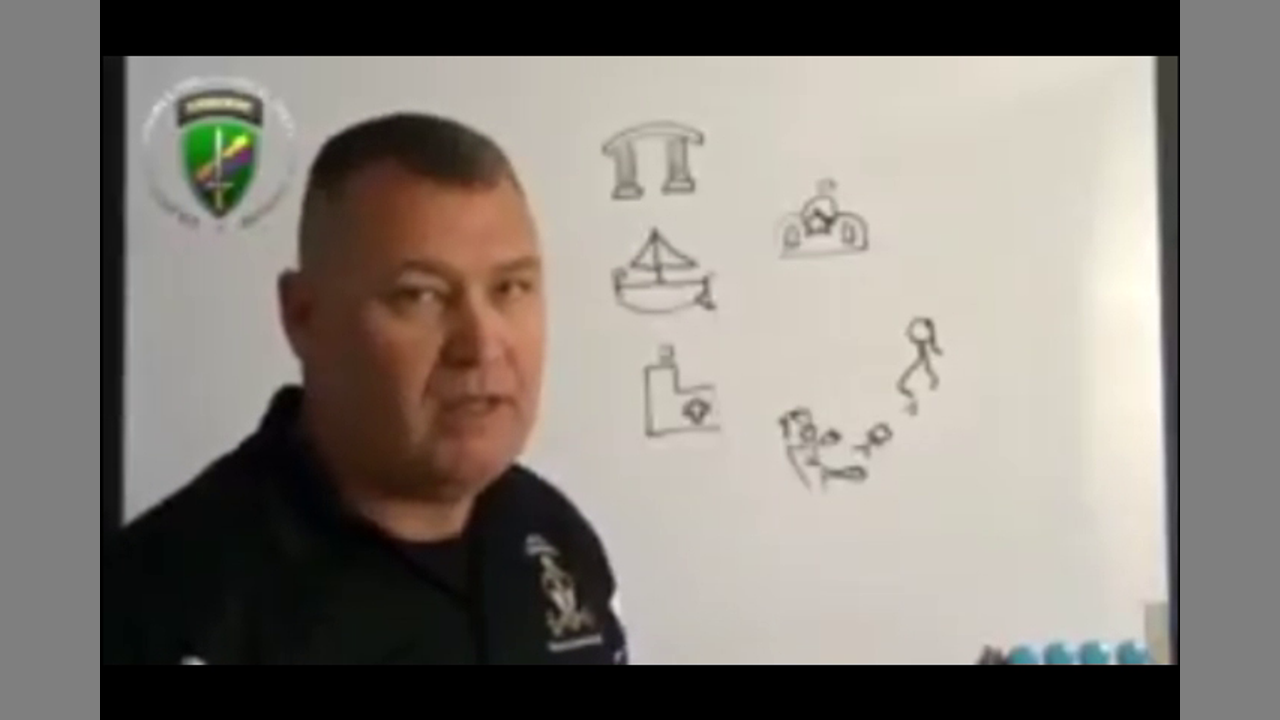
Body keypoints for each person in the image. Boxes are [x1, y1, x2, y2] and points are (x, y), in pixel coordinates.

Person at [103, 112, 629, 665]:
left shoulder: (556, 536)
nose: (481, 344)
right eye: (421, 295)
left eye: (511, 288)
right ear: (304, 316)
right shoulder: (167, 605)